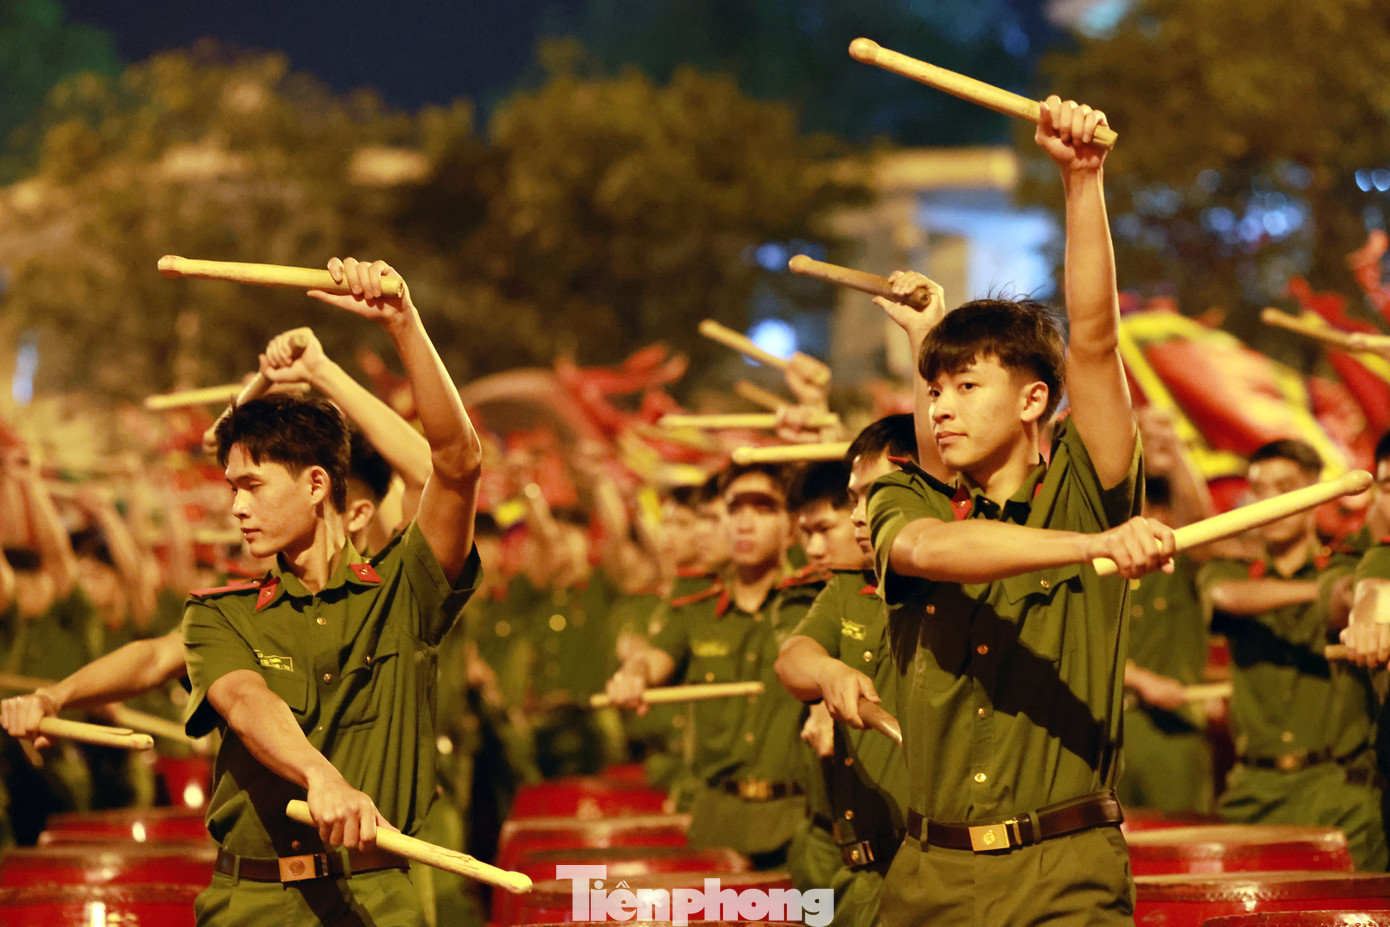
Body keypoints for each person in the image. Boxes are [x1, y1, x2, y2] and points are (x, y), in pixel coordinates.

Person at [867, 98, 1173, 926]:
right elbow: (933, 547)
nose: (940, 408)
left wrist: (1081, 178)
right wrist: (1096, 546)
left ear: (1035, 398)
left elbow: (1098, 340)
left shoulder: (1087, 481)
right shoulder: (906, 496)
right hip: (926, 876)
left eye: (967, 387)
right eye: (933, 390)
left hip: (1063, 876)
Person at [181, 257, 482, 927]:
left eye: (251, 487)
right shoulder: (217, 615)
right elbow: (248, 701)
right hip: (251, 904)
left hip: (375, 900)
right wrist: (322, 775)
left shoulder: (406, 592)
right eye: (231, 488)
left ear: (317, 485)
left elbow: (456, 462)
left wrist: (402, 321)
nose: (235, 508)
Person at [605, 461, 823, 867]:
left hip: (801, 823)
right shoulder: (694, 604)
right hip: (719, 824)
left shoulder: (816, 600)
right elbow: (656, 657)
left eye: (763, 509)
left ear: (792, 526)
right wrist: (633, 674)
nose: (744, 524)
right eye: (734, 510)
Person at [1199, 439, 1386, 870]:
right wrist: (1317, 592)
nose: (1270, 502)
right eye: (1259, 490)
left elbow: (1350, 599)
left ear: (1314, 493)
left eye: (1285, 487)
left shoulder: (1348, 566)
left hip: (1337, 788)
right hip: (1253, 790)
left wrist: (1347, 596)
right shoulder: (1230, 569)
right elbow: (1228, 596)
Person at [776, 414, 915, 927]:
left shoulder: (959, 587)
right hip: (857, 866)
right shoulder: (845, 590)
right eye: (853, 500)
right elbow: (792, 658)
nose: (860, 516)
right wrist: (827, 673)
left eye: (871, 496)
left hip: (932, 868)